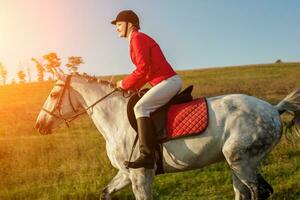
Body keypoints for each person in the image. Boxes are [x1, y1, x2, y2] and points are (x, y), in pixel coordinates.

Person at [111, 10, 182, 169]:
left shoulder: (137, 38)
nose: (117, 28)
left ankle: (146, 155)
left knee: (140, 107)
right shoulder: (136, 39)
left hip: (168, 81)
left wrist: (124, 83)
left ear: (131, 24)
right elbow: (146, 72)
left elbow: (142, 69)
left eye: (119, 24)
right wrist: (131, 87)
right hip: (163, 82)